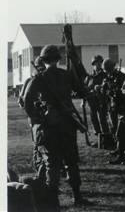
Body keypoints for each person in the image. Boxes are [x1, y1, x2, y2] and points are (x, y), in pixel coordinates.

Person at [23, 45, 90, 208]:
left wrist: (38, 118)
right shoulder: (66, 75)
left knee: (52, 165)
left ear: (43, 60)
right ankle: (77, 196)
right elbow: (82, 91)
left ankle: (53, 201)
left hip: (49, 126)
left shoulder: (39, 78)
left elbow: (26, 100)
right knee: (71, 162)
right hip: (67, 125)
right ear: (58, 59)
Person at [84, 55, 109, 139]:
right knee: (93, 118)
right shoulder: (89, 76)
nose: (98, 65)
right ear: (93, 64)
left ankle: (106, 135)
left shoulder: (105, 75)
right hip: (92, 101)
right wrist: (83, 101)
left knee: (102, 118)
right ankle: (98, 135)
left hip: (102, 100)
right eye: (96, 63)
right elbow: (85, 89)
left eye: (99, 63)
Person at [102, 58, 125, 140]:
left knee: (121, 127)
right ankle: (117, 144)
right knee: (113, 126)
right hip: (112, 105)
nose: (106, 72)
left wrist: (117, 91)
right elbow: (105, 91)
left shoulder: (122, 76)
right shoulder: (108, 78)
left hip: (121, 105)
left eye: (107, 70)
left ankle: (123, 145)